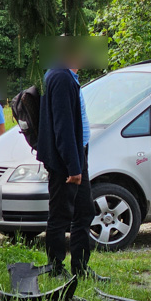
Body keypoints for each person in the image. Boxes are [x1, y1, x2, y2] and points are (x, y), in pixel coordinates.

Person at [36, 47, 106, 281]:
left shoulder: (65, 75)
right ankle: (55, 269)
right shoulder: (61, 77)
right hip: (65, 160)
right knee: (59, 215)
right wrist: (73, 168)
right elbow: (63, 128)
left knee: (84, 211)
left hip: (76, 155)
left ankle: (81, 268)